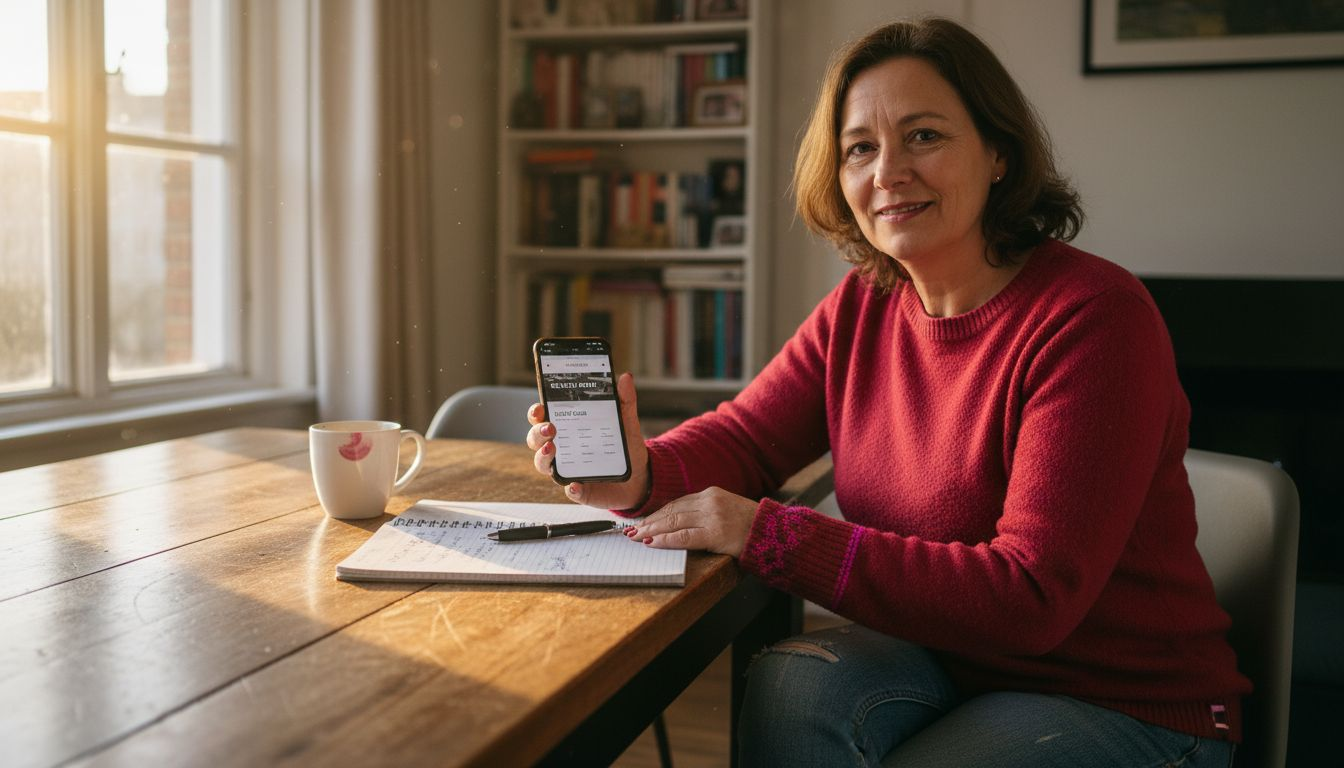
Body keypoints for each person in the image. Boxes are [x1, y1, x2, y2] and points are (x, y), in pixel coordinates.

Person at [527, 17, 1247, 767]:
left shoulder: (1095, 318)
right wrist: (635, 471)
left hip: (1124, 702)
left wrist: (767, 532)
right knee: (788, 686)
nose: (888, 172)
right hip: (947, 660)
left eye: (925, 136)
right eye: (860, 148)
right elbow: (747, 437)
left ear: (999, 153)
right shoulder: (863, 305)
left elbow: (1030, 600)